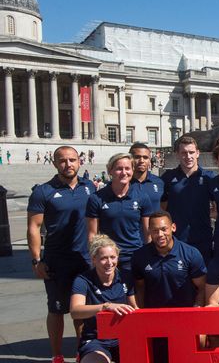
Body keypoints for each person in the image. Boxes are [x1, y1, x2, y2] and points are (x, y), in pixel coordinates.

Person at [27, 145, 97, 363]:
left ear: (79, 162)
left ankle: (81, 352)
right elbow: (33, 228)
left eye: (72, 160)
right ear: (55, 163)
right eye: (63, 160)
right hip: (57, 260)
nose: (68, 164)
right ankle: (57, 354)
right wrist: (36, 259)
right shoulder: (43, 191)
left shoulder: (90, 187)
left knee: (83, 310)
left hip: (85, 259)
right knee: (57, 309)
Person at [131, 211, 207, 363]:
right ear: (149, 232)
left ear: (173, 227)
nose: (160, 234)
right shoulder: (139, 256)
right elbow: (139, 288)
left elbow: (202, 287)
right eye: (155, 230)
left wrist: (197, 309)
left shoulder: (191, 254)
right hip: (154, 321)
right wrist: (140, 314)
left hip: (184, 320)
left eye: (164, 229)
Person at [70, 235, 137, 363]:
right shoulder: (82, 280)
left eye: (112, 257)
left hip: (124, 337)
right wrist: (105, 306)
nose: (109, 263)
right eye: (103, 258)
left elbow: (135, 308)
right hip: (96, 339)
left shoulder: (126, 277)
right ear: (93, 259)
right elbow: (75, 311)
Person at [86, 153, 153, 280]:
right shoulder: (96, 198)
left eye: (127, 168)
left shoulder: (142, 197)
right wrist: (94, 259)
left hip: (134, 256)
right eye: (119, 168)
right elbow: (92, 234)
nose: (124, 172)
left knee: (135, 297)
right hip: (108, 258)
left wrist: (149, 256)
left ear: (132, 170)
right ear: (110, 170)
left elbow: (147, 232)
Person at [160, 136, 216, 262]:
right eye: (184, 153)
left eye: (191, 152)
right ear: (177, 155)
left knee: (203, 278)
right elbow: (162, 208)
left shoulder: (209, 178)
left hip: (203, 238)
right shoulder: (168, 178)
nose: (188, 156)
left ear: (197, 153)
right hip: (176, 239)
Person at [130, 143, 164, 213]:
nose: (141, 161)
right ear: (130, 159)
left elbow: (164, 207)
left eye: (145, 157)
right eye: (137, 157)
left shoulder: (159, 182)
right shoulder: (123, 183)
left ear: (149, 160)